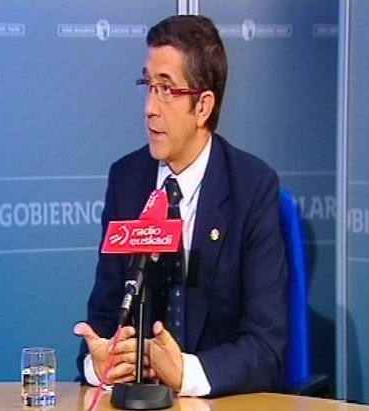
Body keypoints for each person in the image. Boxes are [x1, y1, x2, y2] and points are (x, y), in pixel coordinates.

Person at [75, 14, 287, 398]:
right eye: (148, 86)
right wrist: (98, 363)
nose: (150, 108)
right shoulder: (127, 181)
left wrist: (184, 372)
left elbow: (266, 349)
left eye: (166, 90)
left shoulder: (252, 189)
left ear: (203, 106)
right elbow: (105, 318)